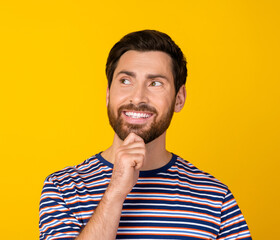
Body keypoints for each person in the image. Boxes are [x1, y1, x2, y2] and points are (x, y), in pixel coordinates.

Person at [39, 30, 252, 240]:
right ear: (107, 94)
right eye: (125, 81)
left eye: (155, 83)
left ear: (179, 99)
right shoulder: (63, 188)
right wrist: (115, 194)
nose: (138, 97)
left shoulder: (216, 198)